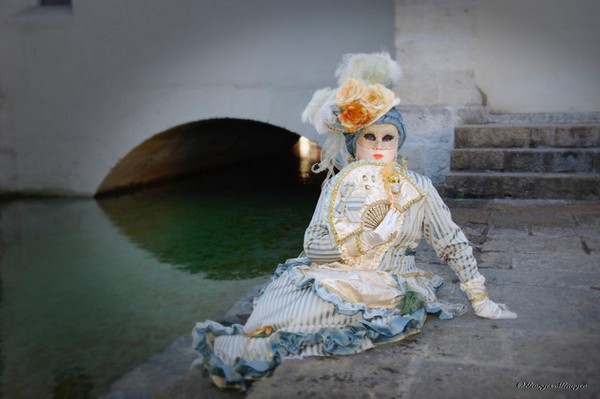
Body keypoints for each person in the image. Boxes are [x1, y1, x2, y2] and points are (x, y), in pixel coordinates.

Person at [192, 52, 516, 391]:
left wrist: (479, 298)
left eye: (387, 138)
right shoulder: (337, 185)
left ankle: (269, 347)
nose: (378, 147)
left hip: (387, 279)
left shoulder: (418, 188)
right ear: (355, 143)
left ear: (398, 142)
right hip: (332, 269)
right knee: (276, 303)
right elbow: (314, 245)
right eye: (369, 137)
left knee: (317, 313)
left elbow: (449, 240)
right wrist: (367, 240)